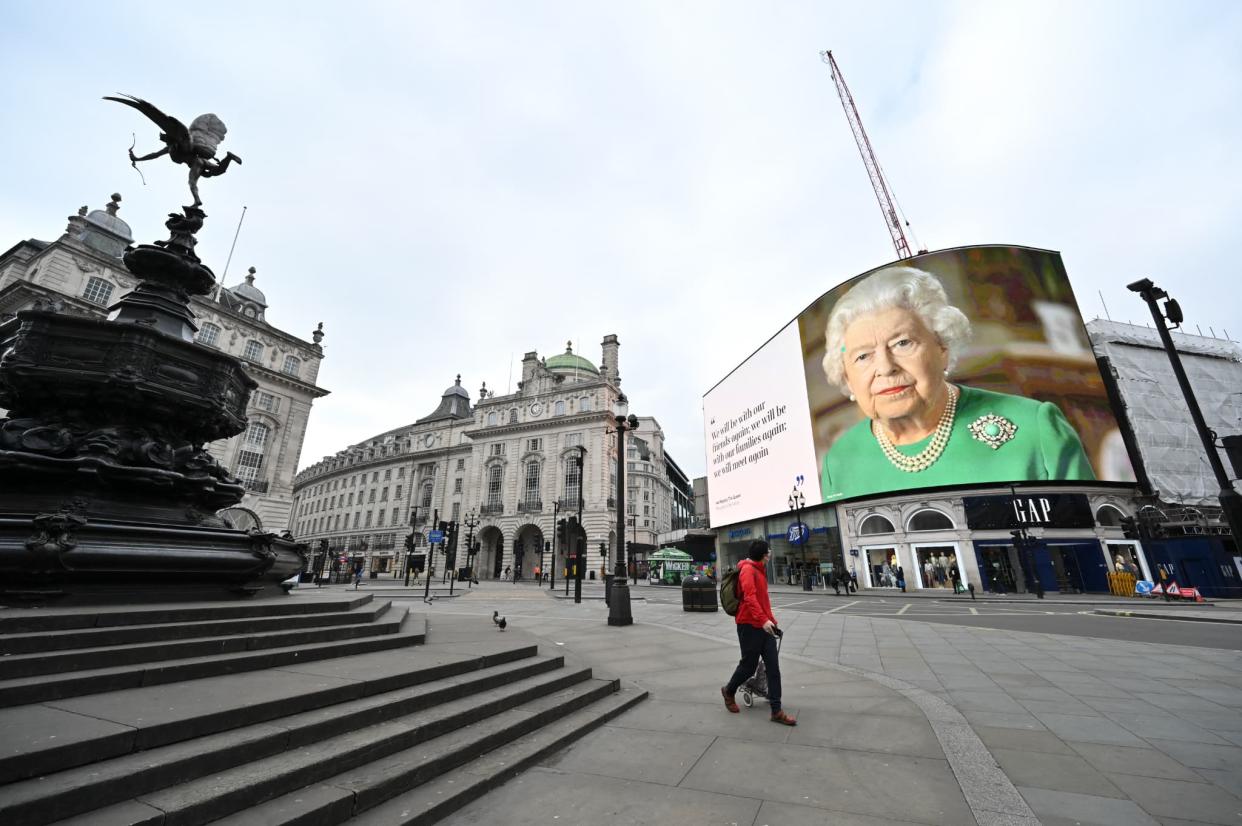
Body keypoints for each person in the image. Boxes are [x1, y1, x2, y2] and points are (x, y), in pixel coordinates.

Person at [818, 266, 1096, 502]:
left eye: (902, 343)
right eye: (863, 356)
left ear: (942, 348)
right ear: (847, 377)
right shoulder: (839, 462)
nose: (885, 367)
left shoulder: (1035, 426)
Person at [721, 540, 796, 726]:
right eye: (768, 552)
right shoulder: (747, 570)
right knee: (748, 665)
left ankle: (776, 711)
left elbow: (763, 601)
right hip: (748, 625)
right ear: (763, 555)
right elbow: (750, 598)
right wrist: (763, 620)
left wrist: (772, 622)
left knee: (773, 668)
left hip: (764, 626)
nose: (770, 554)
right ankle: (729, 691)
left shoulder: (759, 570)